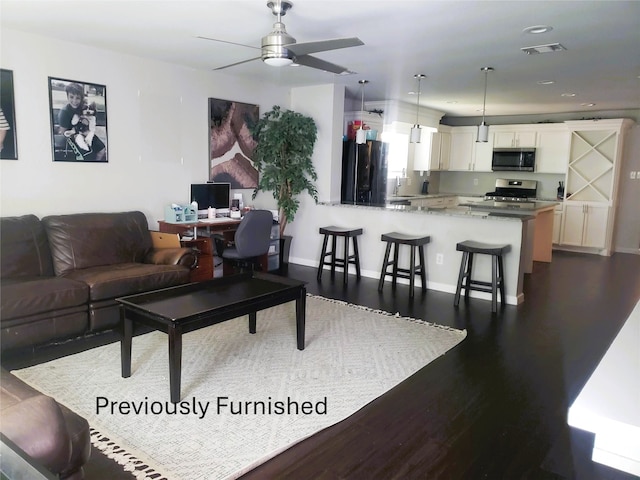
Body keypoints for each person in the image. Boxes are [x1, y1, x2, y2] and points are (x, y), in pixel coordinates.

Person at [57, 83, 106, 161]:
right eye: (71, 97)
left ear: (81, 98)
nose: (74, 101)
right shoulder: (64, 112)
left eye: (78, 98)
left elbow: (92, 116)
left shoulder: (83, 106)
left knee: (102, 149)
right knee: (86, 154)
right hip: (72, 136)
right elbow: (63, 132)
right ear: (67, 96)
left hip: (86, 132)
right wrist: (75, 133)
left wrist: (87, 127)